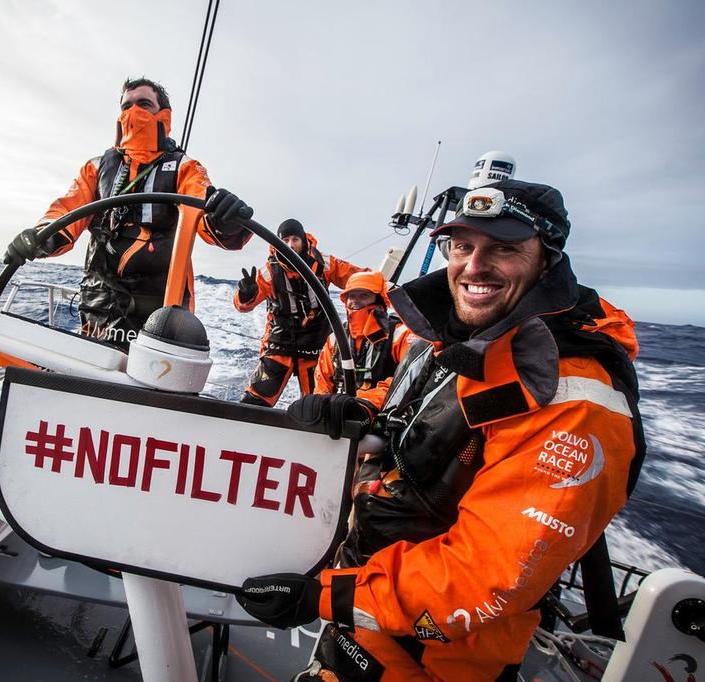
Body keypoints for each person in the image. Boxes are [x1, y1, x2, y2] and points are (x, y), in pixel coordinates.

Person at [237, 180, 646, 681]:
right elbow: (421, 397)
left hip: (436, 656)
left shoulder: (574, 398)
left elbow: (485, 575)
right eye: (462, 246)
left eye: (505, 248)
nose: (475, 265)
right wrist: (362, 408)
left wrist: (325, 595)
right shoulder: (467, 333)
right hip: (369, 601)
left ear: (548, 259)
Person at [4, 77, 251, 349]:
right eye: (126, 106)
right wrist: (42, 237)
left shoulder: (185, 168)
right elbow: (67, 210)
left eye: (144, 104)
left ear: (163, 114)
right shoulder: (96, 168)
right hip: (100, 308)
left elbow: (202, 211)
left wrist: (224, 219)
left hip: (162, 315)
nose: (133, 112)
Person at [234, 218, 364, 406]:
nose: (290, 245)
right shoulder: (269, 271)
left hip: (315, 346)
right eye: (285, 240)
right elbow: (243, 306)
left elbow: (357, 278)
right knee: (254, 401)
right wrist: (245, 295)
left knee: (319, 406)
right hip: (279, 345)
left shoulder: (324, 263)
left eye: (295, 239)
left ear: (303, 240)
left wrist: (383, 287)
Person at [312, 270, 416, 407]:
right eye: (352, 295)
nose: (355, 300)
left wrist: (364, 404)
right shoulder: (335, 339)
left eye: (364, 295)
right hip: (337, 415)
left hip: (382, 417)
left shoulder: (399, 335)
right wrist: (321, 408)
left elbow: (406, 379)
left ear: (379, 300)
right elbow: (322, 383)